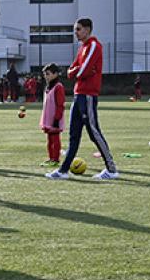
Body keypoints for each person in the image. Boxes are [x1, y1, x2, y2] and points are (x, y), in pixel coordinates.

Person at [45, 18, 119, 181]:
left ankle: (111, 169)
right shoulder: (82, 48)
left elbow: (80, 72)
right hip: (79, 95)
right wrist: (77, 70)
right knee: (74, 135)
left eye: (78, 29)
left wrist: (78, 70)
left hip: (88, 96)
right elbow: (72, 71)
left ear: (87, 29)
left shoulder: (93, 46)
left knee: (94, 132)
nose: (76, 33)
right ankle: (63, 170)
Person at [40, 63, 65, 167]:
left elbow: (60, 105)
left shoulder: (58, 87)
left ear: (55, 74)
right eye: (45, 74)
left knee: (55, 139)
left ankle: (56, 159)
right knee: (50, 140)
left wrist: (57, 119)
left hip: (55, 118)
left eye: (48, 74)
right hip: (48, 118)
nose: (46, 76)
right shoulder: (48, 87)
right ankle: (51, 158)